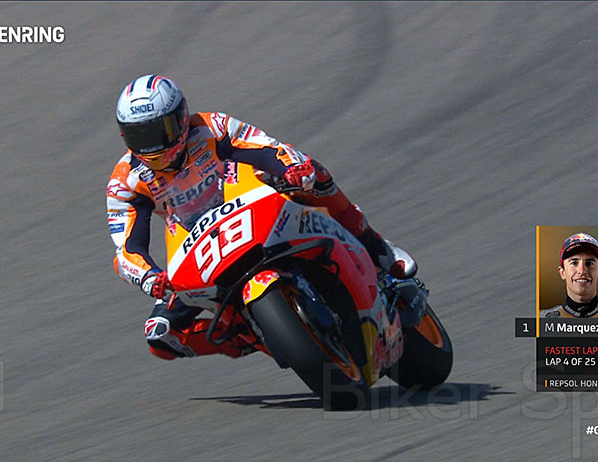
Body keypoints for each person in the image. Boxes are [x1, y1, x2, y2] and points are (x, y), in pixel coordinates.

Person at [106, 74, 417, 360]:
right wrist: (149, 276)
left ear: (181, 118)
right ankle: (247, 335)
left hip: (250, 199)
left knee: (314, 175)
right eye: (139, 136)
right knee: (160, 335)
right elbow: (127, 249)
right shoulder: (126, 182)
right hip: (197, 243)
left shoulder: (212, 128)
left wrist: (291, 167)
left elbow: (264, 147)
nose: (153, 144)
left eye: (160, 130)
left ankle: (377, 248)